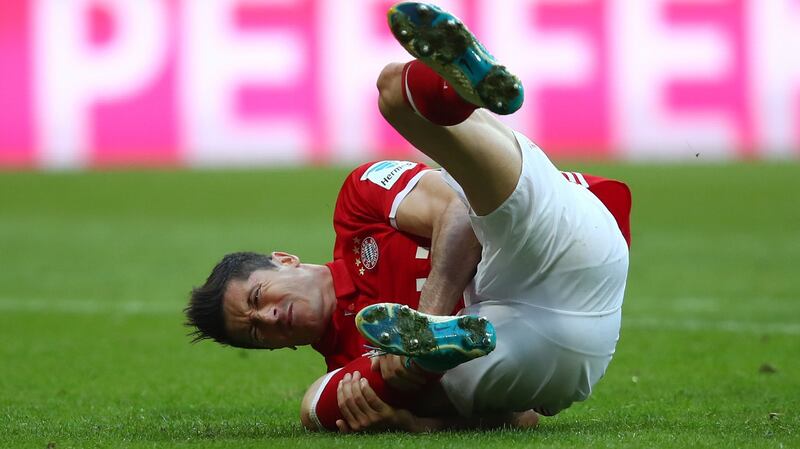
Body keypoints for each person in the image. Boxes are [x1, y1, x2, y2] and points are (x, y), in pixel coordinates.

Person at [184, 1, 631, 433]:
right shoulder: (352, 369)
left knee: (392, 90)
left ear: (284, 259)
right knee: (317, 408)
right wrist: (415, 423)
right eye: (257, 334)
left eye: (258, 298)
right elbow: (525, 418)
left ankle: (459, 91)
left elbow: (456, 209)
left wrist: (426, 325)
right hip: (559, 353)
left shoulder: (358, 210)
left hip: (554, 250)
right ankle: (456, 93)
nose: (269, 318)